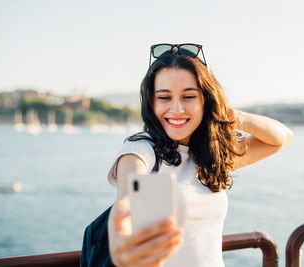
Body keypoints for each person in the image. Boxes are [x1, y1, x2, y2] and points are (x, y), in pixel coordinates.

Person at [107, 43, 293, 267]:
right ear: (150, 102)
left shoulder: (209, 154)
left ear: (206, 99)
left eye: (189, 96)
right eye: (164, 97)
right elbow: (126, 204)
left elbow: (281, 138)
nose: (176, 109)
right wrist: (122, 246)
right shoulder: (144, 153)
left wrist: (226, 113)